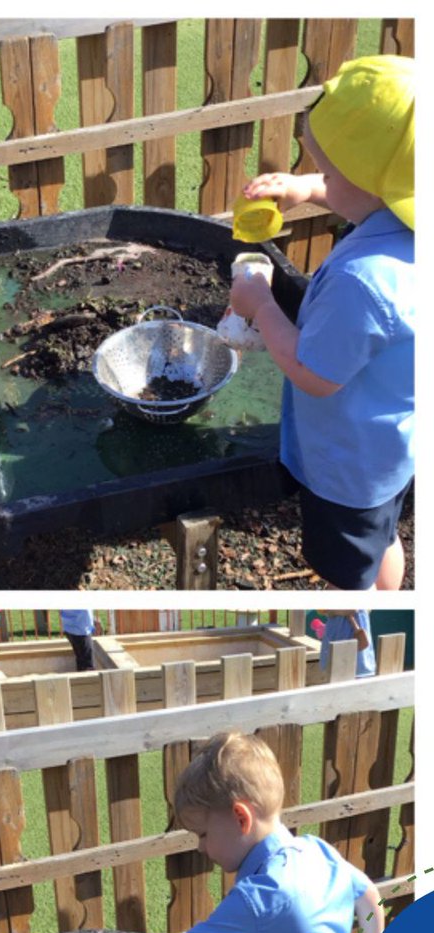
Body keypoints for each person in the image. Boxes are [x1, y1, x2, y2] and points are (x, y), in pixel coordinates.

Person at [77, 732, 384, 933]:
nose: (200, 846)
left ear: (241, 818)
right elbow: (369, 897)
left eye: (203, 834)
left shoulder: (260, 898)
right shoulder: (314, 850)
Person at [229, 56, 414, 590]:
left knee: (345, 564)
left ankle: (356, 598)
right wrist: (305, 189)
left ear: (373, 183)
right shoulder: (406, 224)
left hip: (346, 468)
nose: (320, 179)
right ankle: (384, 586)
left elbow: (313, 373)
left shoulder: (364, 283)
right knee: (380, 536)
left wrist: (261, 305)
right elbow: (373, 191)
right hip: (390, 448)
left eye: (328, 172)